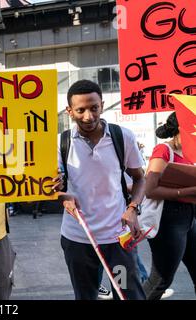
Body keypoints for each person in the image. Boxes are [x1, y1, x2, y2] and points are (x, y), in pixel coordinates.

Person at [58, 79, 146, 300]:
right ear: (70, 111)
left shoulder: (122, 136)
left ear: (102, 105)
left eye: (94, 108)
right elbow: (53, 187)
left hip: (117, 241)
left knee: (125, 292)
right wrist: (61, 195)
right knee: (86, 295)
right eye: (80, 110)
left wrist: (133, 208)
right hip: (78, 241)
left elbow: (139, 179)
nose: (88, 116)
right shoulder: (61, 143)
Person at [142, 112, 196, 300]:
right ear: (181, 130)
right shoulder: (164, 150)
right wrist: (185, 192)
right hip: (167, 218)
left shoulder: (192, 150)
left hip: (190, 216)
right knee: (161, 280)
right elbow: (150, 190)